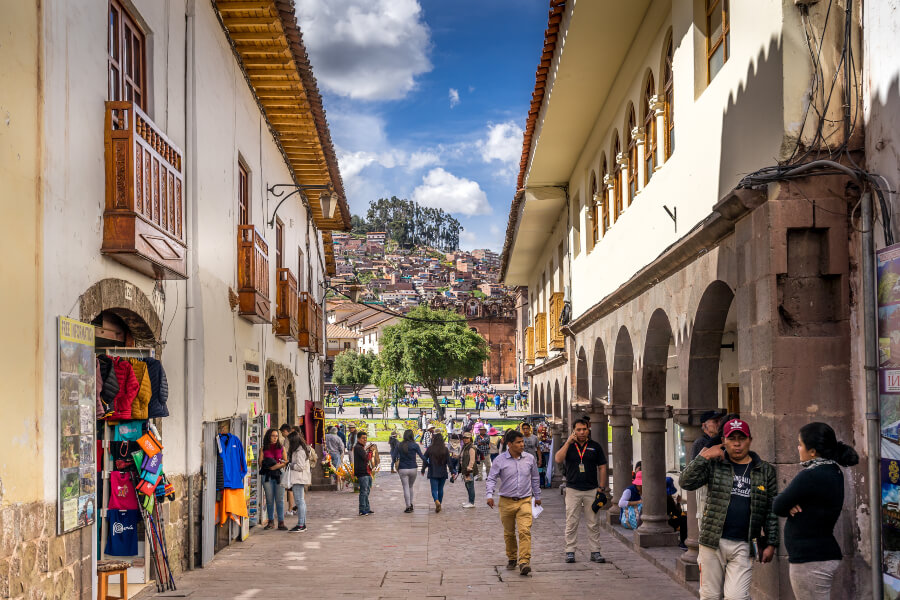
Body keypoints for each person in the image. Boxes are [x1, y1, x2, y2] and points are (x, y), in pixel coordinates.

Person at [680, 418, 778, 600]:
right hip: (712, 542)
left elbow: (771, 509)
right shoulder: (715, 464)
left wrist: (771, 543)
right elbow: (686, 482)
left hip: (744, 543)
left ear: (750, 439)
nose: (737, 444)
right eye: (732, 439)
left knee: (737, 597)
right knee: (710, 596)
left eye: (742, 438)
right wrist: (705, 456)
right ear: (724, 440)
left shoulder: (764, 470)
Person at [772, 422, 859, 600]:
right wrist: (789, 503)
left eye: (800, 444)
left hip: (810, 558)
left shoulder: (811, 475)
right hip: (819, 554)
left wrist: (787, 504)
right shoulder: (833, 470)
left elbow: (778, 505)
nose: (798, 448)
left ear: (812, 451)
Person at [486, 429, 541, 576]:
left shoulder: (529, 458)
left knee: (524, 531)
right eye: (518, 442)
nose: (522, 444)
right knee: (509, 533)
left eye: (522, 441)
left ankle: (524, 561)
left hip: (525, 500)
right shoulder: (500, 460)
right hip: (506, 501)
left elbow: (535, 478)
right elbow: (491, 478)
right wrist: (489, 495)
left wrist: (538, 495)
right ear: (509, 444)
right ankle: (512, 557)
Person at [554, 418, 608, 563]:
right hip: (573, 489)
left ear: (588, 429)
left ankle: (595, 551)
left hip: (592, 489)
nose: (582, 432)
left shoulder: (595, 446)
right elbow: (558, 459)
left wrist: (602, 488)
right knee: (571, 521)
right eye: (578, 430)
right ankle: (570, 551)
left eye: (584, 429)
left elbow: (602, 467)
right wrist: (568, 442)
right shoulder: (569, 446)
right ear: (574, 431)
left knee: (593, 522)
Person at [283, 431, 315, 532]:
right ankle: (302, 523)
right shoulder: (300, 450)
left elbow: (300, 466)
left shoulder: (300, 451)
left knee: (299, 501)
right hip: (298, 478)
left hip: (298, 478)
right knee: (301, 501)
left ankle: (301, 524)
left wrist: (289, 464)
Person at [260, 428, 287, 530]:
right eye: (273, 436)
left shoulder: (281, 448)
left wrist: (276, 466)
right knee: (270, 499)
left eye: (276, 436)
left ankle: (281, 522)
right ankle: (270, 521)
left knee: (280, 499)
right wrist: (268, 463)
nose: (275, 438)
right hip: (267, 475)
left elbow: (285, 462)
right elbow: (260, 462)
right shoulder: (263, 448)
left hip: (279, 474)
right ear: (268, 436)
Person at [392, 429, 425, 513]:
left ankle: (408, 506)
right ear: (412, 436)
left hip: (402, 468)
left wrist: (396, 461)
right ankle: (411, 503)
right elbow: (422, 456)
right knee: (410, 486)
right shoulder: (415, 445)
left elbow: (394, 456)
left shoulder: (399, 445)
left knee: (405, 487)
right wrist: (428, 463)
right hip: (413, 468)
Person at [422, 433, 454, 513]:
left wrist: (424, 468)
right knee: (440, 489)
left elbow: (424, 458)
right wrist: (452, 471)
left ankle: (436, 501)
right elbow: (449, 462)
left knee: (434, 489)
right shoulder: (445, 449)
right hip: (443, 472)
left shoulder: (430, 449)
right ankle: (440, 502)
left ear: (434, 439)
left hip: (433, 471)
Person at [354, 431, 374, 516]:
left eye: (366, 438)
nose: (365, 440)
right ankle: (362, 509)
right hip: (362, 472)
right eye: (363, 438)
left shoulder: (361, 447)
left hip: (366, 472)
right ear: (358, 439)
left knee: (367, 491)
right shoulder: (358, 447)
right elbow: (366, 458)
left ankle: (367, 508)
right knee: (363, 491)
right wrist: (370, 451)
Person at [666, 477, 688, 549]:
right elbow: (677, 513)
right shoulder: (668, 498)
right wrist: (678, 503)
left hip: (665, 520)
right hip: (667, 522)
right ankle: (683, 541)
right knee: (684, 519)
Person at [459, 432, 477, 508]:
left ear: (470, 439)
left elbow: (472, 460)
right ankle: (469, 501)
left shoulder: (471, 447)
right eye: (464, 438)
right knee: (467, 485)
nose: (465, 439)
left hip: (469, 470)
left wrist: (469, 468)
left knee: (470, 486)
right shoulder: (465, 446)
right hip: (465, 469)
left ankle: (471, 502)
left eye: (467, 438)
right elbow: (462, 456)